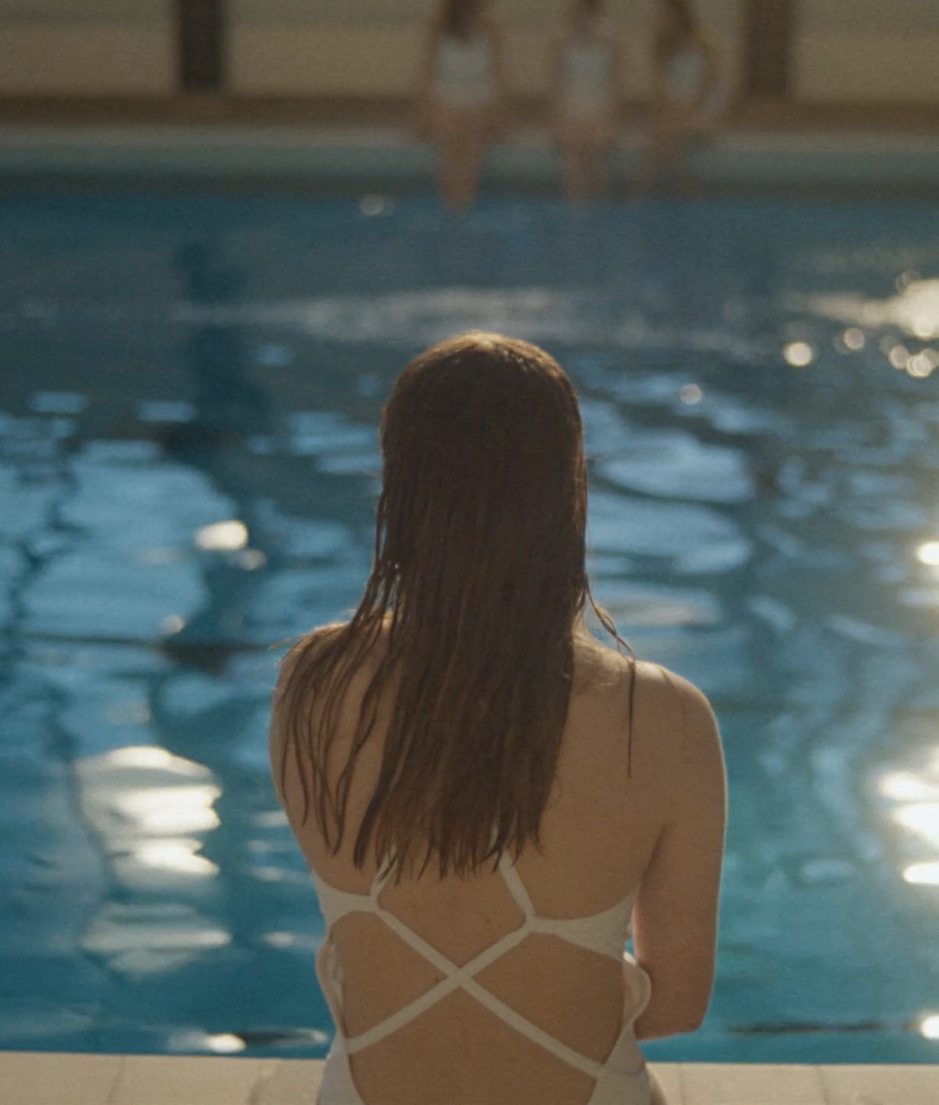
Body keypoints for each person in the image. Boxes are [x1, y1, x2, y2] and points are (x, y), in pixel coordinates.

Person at [270, 332, 726, 1105]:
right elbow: (677, 1005)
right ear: (566, 492)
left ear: (399, 492)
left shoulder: (313, 684)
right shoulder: (663, 720)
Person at [416, 0, 508, 214]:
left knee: (469, 160)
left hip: (478, 101)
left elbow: (498, 74)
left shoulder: (490, 27)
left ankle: (462, 207)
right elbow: (428, 72)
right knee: (450, 160)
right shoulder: (438, 27)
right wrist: (423, 113)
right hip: (447, 99)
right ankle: (454, 207)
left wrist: (500, 115)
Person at [635, 0, 719, 196]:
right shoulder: (660, 47)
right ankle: (686, 190)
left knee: (661, 137)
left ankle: (640, 193)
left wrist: (689, 110)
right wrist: (670, 108)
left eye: (664, 15)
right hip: (673, 108)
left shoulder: (703, 43)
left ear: (679, 17)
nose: (660, 20)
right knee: (661, 135)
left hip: (700, 108)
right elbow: (659, 87)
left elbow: (710, 82)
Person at [549, 0, 623, 204]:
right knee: (573, 151)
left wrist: (614, 120)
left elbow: (616, 85)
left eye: (588, 12)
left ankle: (598, 205)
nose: (584, 17)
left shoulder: (611, 41)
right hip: (571, 105)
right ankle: (576, 206)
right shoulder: (561, 40)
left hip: (600, 106)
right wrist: (555, 118)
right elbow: (555, 84)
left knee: (597, 148)